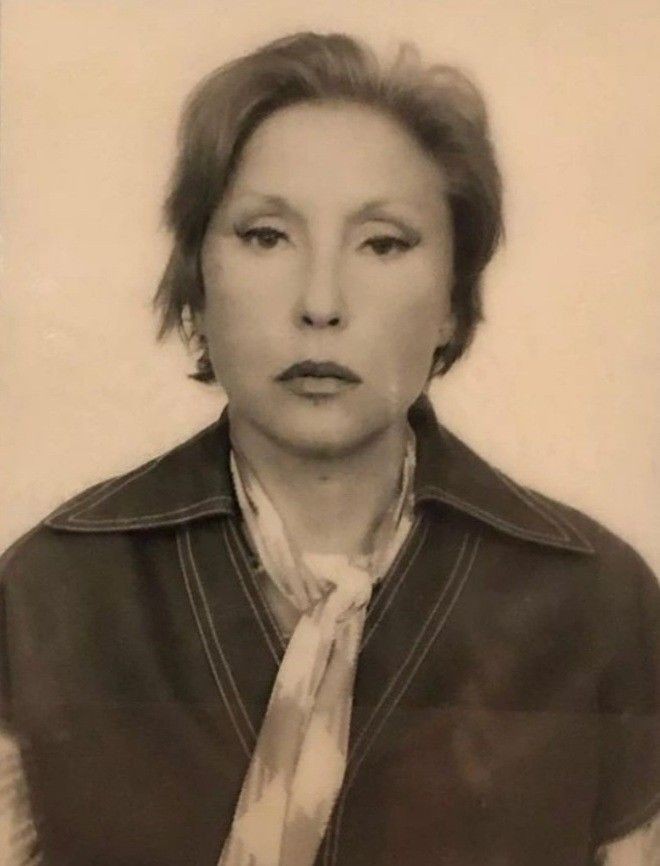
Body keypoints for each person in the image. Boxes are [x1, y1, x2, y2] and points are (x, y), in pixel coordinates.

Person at [0, 30, 658, 866]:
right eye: (266, 236)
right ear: (196, 284)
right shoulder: (52, 593)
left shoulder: (595, 603)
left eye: (383, 243)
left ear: (453, 300)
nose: (320, 302)